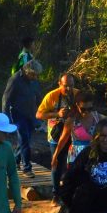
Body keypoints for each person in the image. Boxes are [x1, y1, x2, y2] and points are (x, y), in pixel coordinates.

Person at [36, 73, 79, 202]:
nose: (69, 89)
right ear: (59, 84)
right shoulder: (52, 96)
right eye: (66, 86)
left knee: (73, 163)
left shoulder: (78, 94)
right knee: (56, 163)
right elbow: (38, 115)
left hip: (73, 134)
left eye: (71, 86)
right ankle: (56, 193)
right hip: (56, 134)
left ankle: (70, 191)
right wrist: (57, 114)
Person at [1, 59, 42, 177]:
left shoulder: (34, 80)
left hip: (31, 113)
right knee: (24, 139)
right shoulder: (15, 80)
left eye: (37, 75)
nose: (35, 77)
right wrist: (6, 118)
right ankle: (27, 168)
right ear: (26, 71)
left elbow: (38, 96)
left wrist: (43, 111)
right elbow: (6, 100)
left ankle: (15, 161)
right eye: (33, 75)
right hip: (18, 114)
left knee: (26, 139)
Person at [52, 90, 99, 172]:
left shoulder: (97, 118)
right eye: (83, 109)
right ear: (77, 105)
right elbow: (63, 139)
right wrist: (55, 156)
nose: (86, 112)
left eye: (90, 109)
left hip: (93, 154)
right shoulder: (72, 120)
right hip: (76, 155)